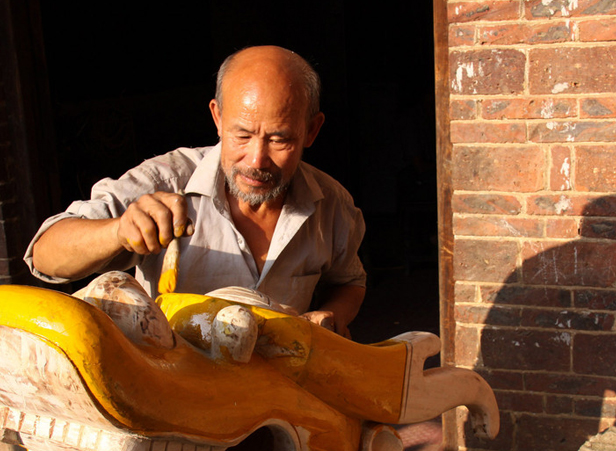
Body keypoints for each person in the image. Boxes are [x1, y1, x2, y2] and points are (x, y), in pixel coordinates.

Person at [25, 45, 366, 336]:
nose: (257, 159)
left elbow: (349, 281)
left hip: (280, 396)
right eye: (242, 135)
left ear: (311, 130)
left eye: (280, 139)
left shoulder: (331, 204)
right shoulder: (166, 182)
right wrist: (118, 230)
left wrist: (332, 315)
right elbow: (45, 254)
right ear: (218, 118)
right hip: (173, 393)